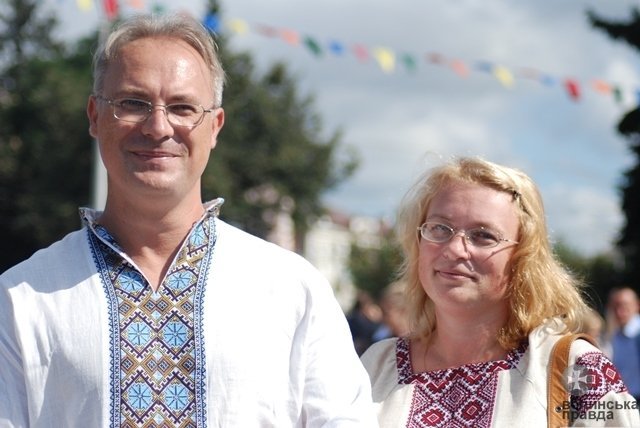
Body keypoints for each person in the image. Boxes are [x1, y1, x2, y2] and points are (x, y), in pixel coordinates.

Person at [0, 13, 377, 427]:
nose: (158, 127)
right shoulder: (22, 297)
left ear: (214, 126)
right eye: (133, 103)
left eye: (182, 107)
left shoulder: (291, 288)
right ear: (95, 115)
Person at [360, 156, 640, 426]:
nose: (455, 249)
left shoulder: (577, 368)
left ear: (523, 257)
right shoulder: (378, 366)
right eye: (440, 229)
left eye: (483, 235)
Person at [607, 286, 640, 400]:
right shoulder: (616, 334)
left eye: (625, 306)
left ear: (637, 305)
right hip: (626, 399)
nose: (620, 311)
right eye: (616, 306)